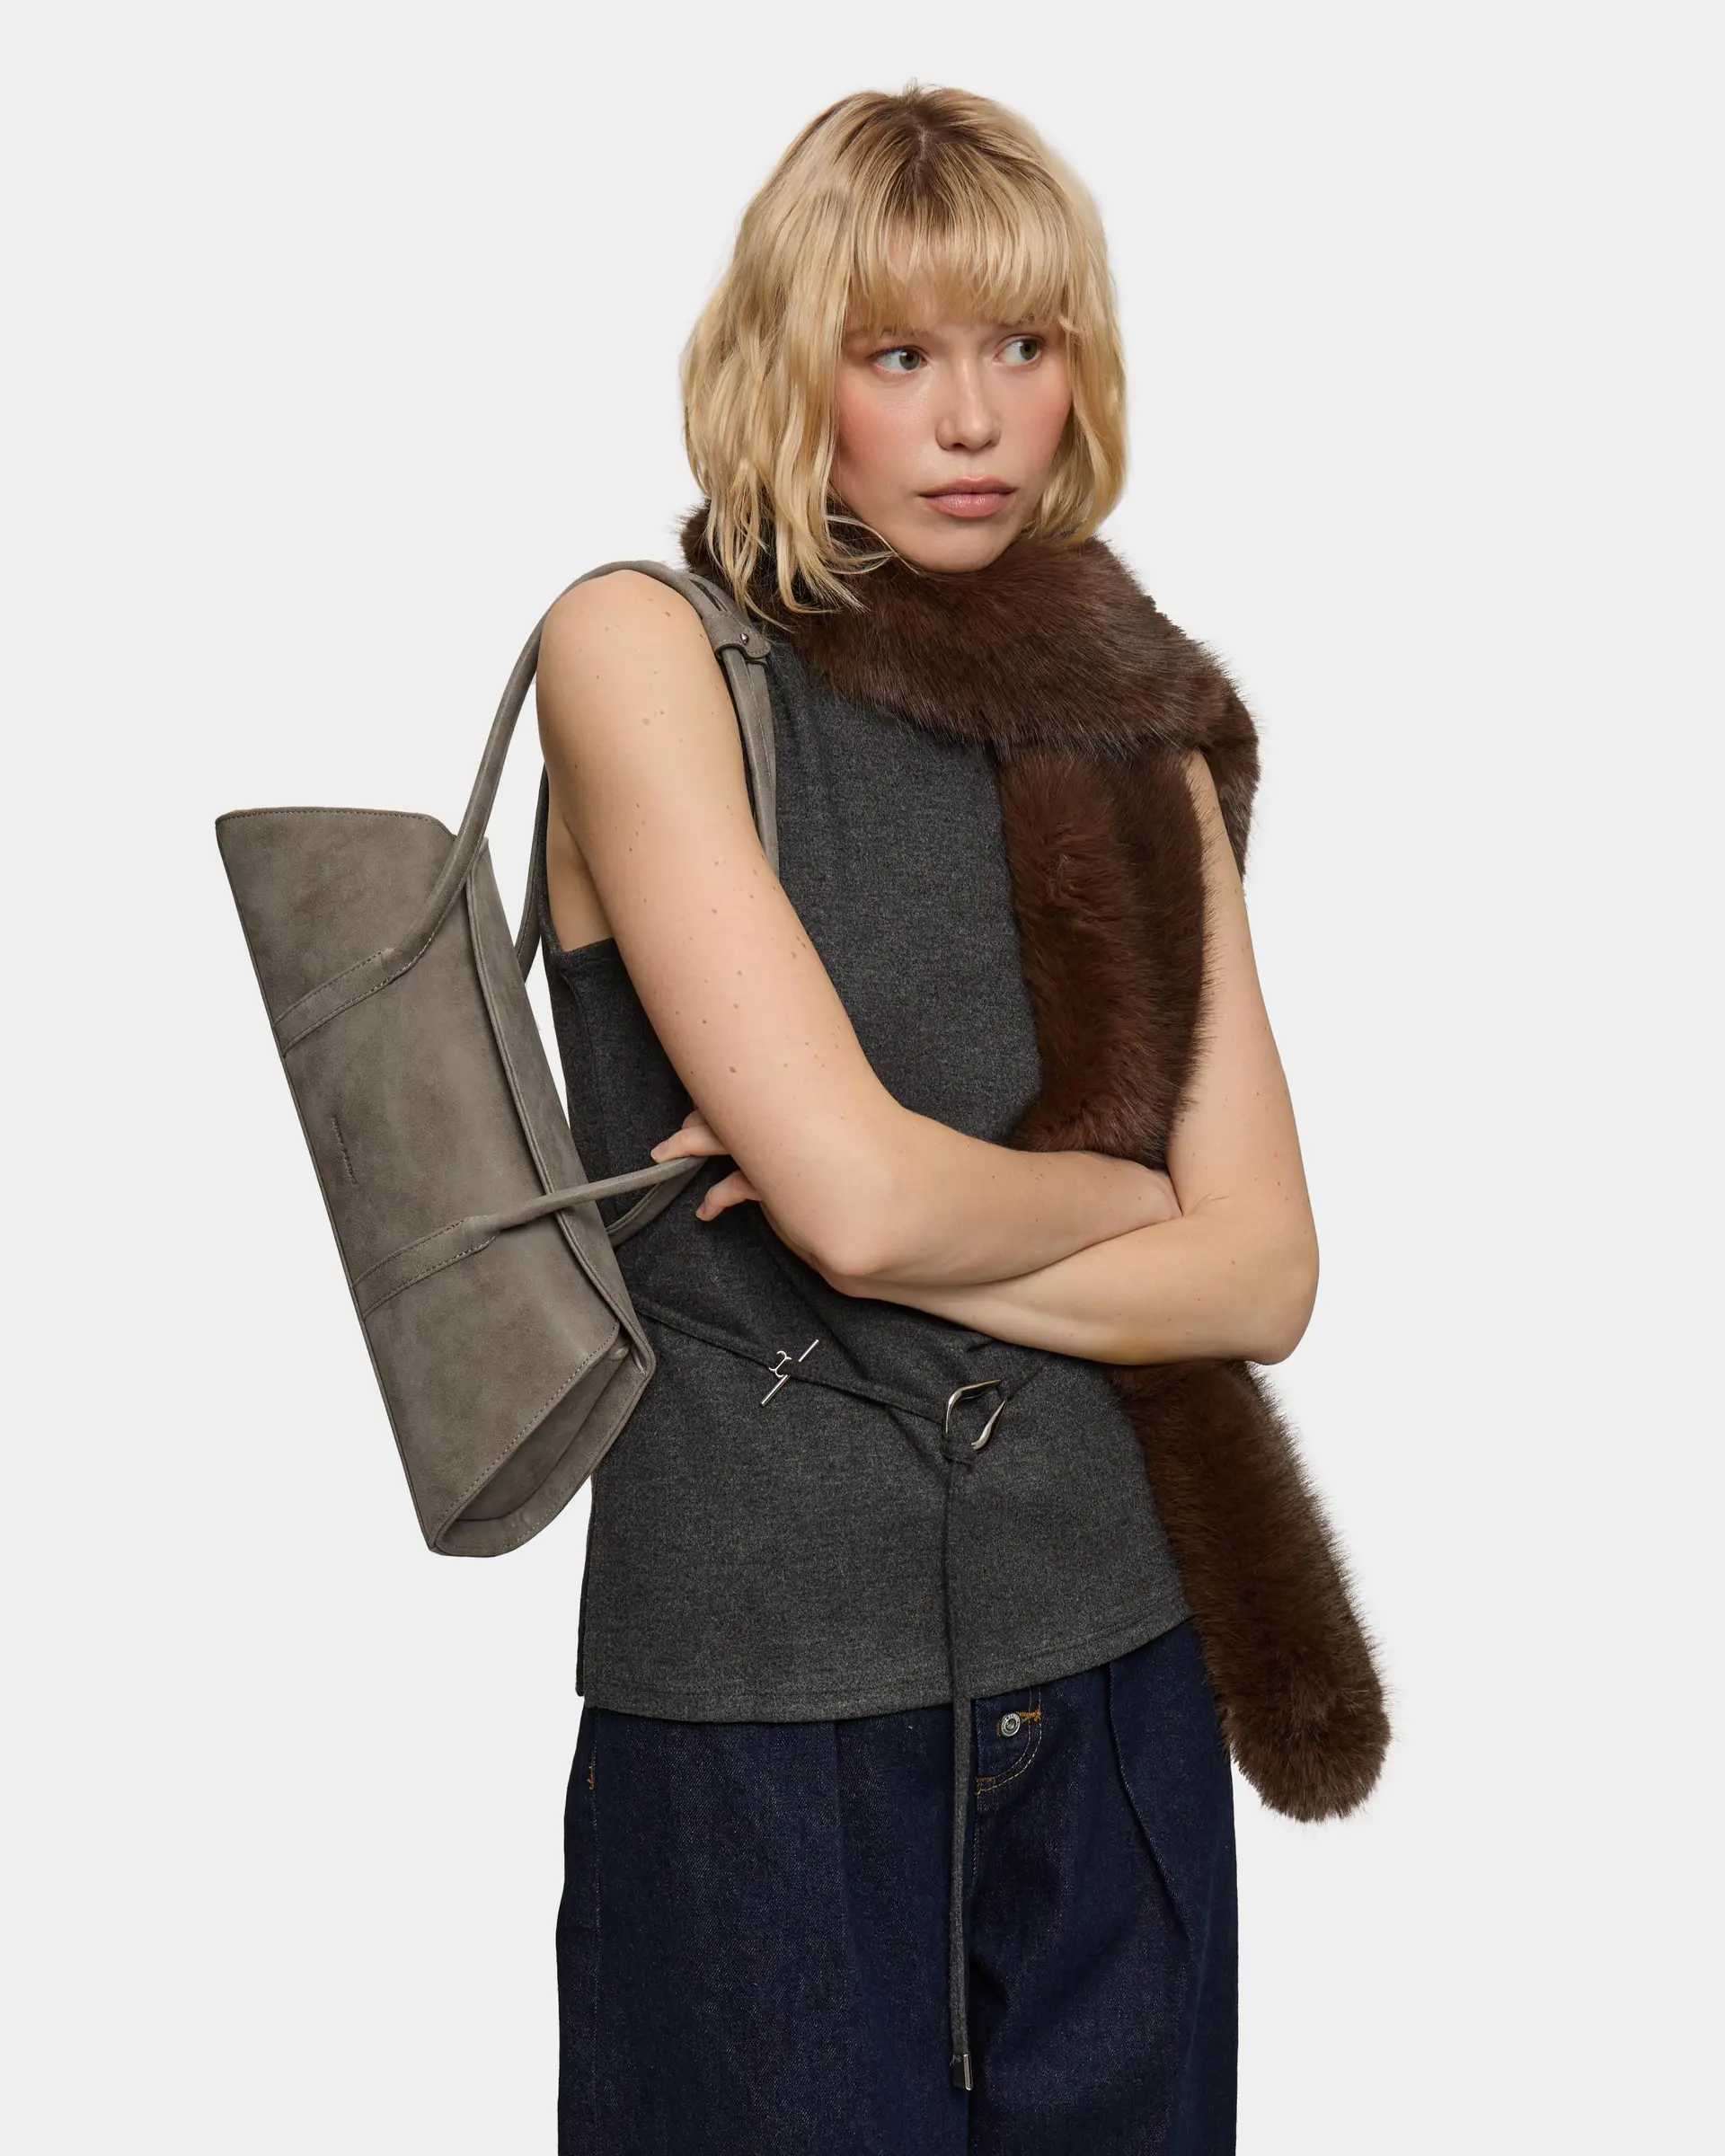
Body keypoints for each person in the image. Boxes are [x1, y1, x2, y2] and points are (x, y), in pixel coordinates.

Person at [532, 84, 1318, 2155]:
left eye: (1021, 346)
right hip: (764, 1708)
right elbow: (868, 1214)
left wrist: (901, 1204)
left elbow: (1263, 1274)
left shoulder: (1132, 718)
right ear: (789, 370)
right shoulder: (645, 652)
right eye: (897, 354)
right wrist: (1123, 1201)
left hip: (1121, 1679)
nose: (972, 417)